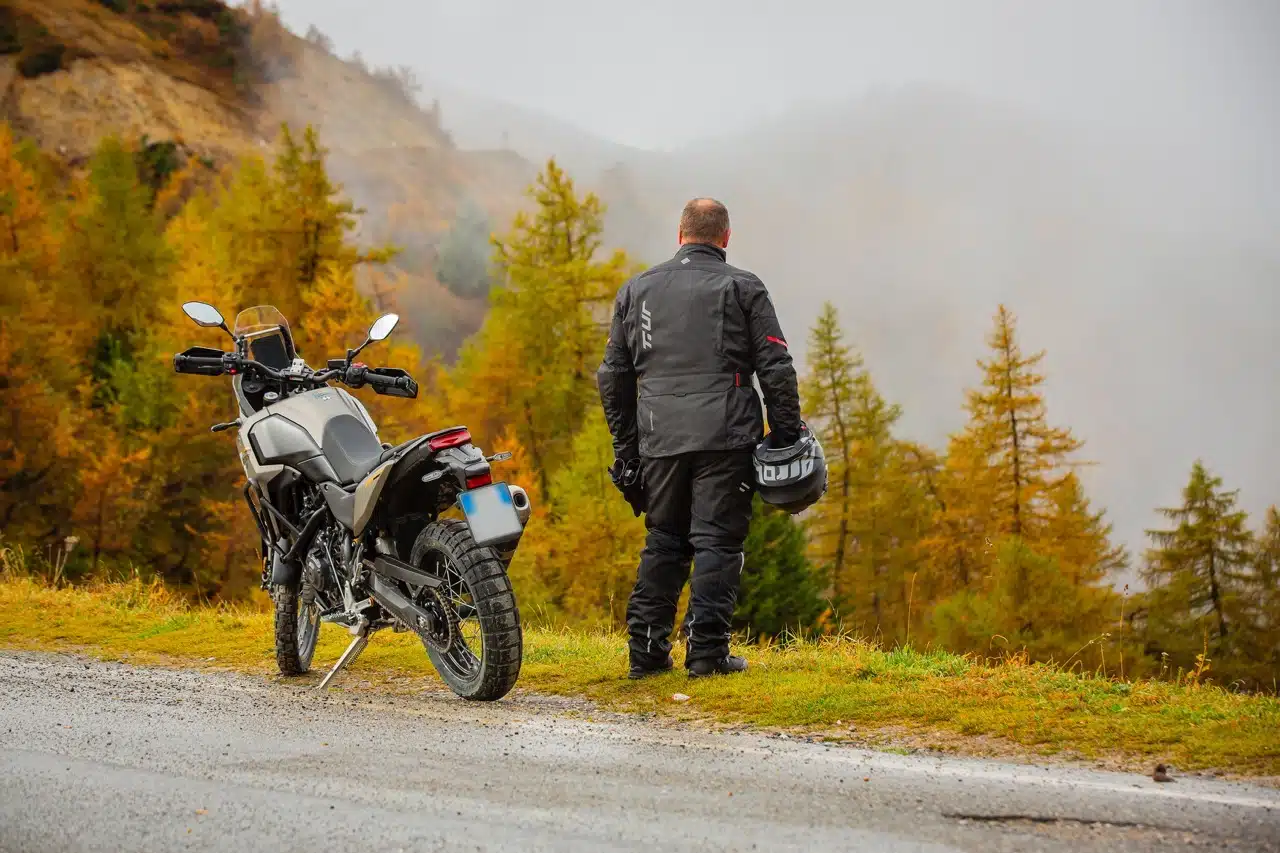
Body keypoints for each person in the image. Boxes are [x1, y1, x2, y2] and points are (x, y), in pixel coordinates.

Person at [596, 197, 802, 679]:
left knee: (665, 539)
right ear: (725, 238)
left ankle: (646, 653)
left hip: (659, 437)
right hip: (725, 435)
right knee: (718, 541)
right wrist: (786, 435)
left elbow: (613, 377)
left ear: (680, 235)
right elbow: (775, 365)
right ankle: (707, 653)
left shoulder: (637, 290)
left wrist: (628, 451)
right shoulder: (744, 287)